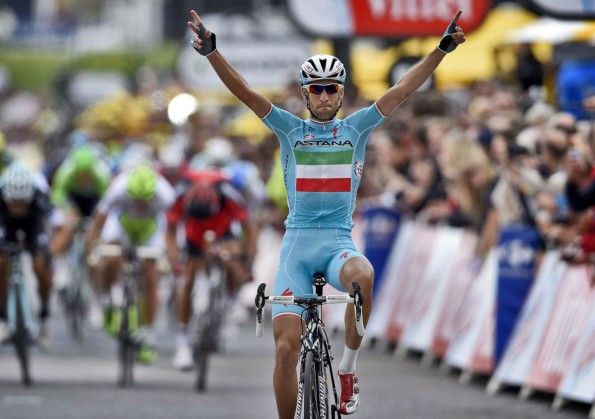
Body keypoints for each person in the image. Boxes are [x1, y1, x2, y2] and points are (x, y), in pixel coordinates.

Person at [187, 8, 465, 417]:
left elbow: (404, 88)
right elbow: (245, 92)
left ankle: (349, 371)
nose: (322, 96)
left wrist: (441, 49)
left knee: (364, 276)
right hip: (297, 248)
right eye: (315, 89)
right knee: (285, 348)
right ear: (304, 93)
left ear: (340, 93)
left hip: (337, 243)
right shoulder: (288, 129)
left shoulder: (356, 128)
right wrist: (213, 53)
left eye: (330, 89)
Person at [166, 167, 256, 370]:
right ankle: (183, 341)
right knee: (186, 280)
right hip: (193, 238)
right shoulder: (181, 195)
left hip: (223, 233)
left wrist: (247, 260)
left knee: (235, 265)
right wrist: (174, 262)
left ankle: (230, 305)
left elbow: (249, 228)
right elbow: (170, 232)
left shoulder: (228, 194)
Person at [85, 163, 175, 364]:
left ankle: (148, 335)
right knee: (110, 259)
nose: (141, 205)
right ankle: (109, 303)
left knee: (151, 277)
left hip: (151, 229)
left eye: (145, 201)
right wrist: (92, 251)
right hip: (121, 226)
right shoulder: (118, 188)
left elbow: (171, 231)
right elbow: (98, 222)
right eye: (136, 200)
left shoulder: (166, 195)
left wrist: (170, 258)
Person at [0, 162, 67, 346]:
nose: (19, 209)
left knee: (41, 266)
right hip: (5, 224)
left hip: (33, 227)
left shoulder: (41, 197)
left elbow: (62, 228)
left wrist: (50, 252)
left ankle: (44, 313)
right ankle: (3, 317)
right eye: (14, 203)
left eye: (23, 204)